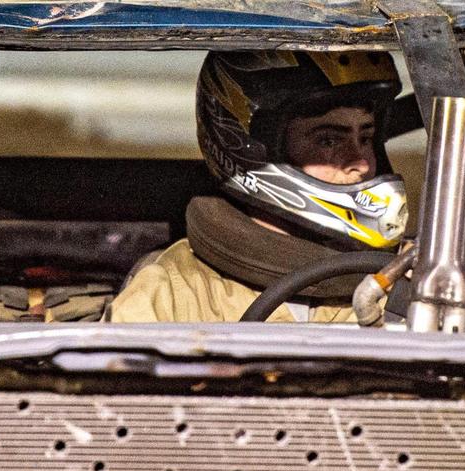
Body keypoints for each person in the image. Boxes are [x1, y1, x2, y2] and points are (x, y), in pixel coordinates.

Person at [108, 50, 409, 323]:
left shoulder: (415, 275)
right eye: (328, 140)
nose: (362, 163)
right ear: (255, 149)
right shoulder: (172, 292)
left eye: (365, 138)